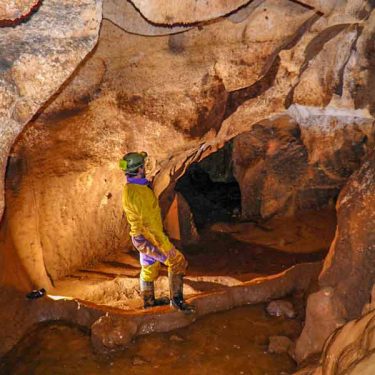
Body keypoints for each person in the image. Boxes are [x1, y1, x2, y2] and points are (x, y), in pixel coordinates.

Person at [119, 151, 195, 313]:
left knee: (149, 266)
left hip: (139, 237)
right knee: (177, 261)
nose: (145, 168)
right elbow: (150, 226)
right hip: (148, 238)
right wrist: (167, 246)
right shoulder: (141, 194)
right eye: (143, 166)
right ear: (139, 169)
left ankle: (149, 301)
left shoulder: (131, 188)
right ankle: (177, 302)